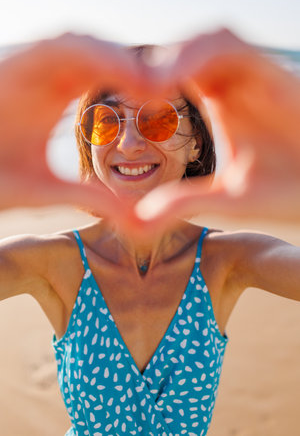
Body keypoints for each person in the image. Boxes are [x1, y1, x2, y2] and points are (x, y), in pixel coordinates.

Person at [0, 29, 299, 436]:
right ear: (88, 142)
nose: (127, 143)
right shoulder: (55, 262)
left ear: (195, 142)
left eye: (157, 120)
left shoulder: (227, 260)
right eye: (106, 122)